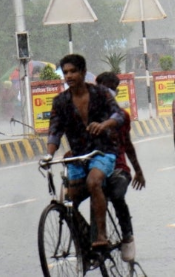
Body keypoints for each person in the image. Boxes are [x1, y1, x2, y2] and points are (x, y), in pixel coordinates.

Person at [44, 54, 125, 249]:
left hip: (102, 152)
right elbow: (55, 131)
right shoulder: (60, 102)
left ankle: (101, 236)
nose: (69, 76)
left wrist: (105, 124)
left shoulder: (100, 94)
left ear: (83, 72)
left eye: (73, 71)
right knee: (67, 203)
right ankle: (85, 242)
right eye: (66, 73)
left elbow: (119, 114)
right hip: (78, 156)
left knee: (93, 182)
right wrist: (49, 154)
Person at [95, 72, 146, 262]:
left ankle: (127, 236)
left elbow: (127, 144)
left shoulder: (121, 116)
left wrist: (138, 171)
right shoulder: (86, 112)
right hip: (93, 167)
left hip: (118, 169)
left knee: (116, 196)